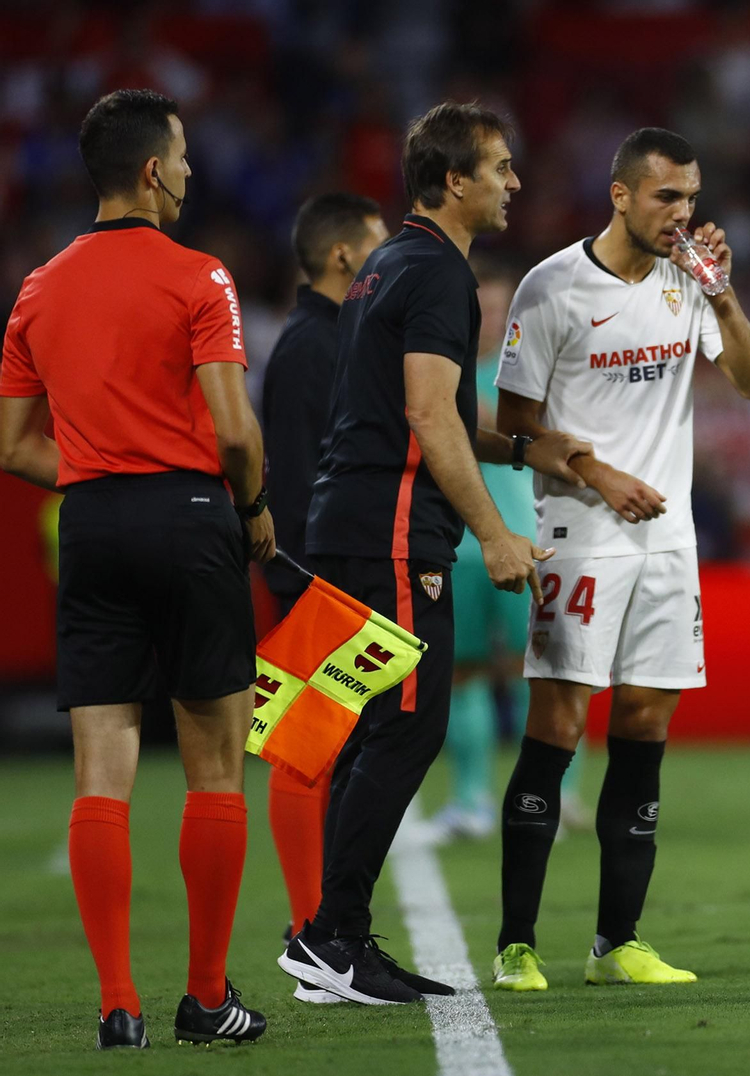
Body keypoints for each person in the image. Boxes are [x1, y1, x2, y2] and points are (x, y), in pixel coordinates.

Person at [277, 101, 589, 1006]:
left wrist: (528, 450)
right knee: (406, 725)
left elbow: (431, 413)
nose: (513, 184)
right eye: (499, 168)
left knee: (369, 728)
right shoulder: (439, 274)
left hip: (354, 520)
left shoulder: (385, 266)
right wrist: (493, 531)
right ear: (455, 181)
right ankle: (333, 938)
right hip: (394, 531)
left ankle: (325, 940)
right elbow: (422, 416)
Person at [0, 88, 272, 1047]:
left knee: (99, 776)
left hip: (93, 521)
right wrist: (252, 510)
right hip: (194, 516)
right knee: (215, 769)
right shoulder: (201, 277)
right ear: (153, 171)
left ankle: (118, 1007)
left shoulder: (38, 286)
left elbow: (10, 444)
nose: (194, 172)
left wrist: (91, 478)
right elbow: (235, 433)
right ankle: (205, 999)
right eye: (186, 156)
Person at [490, 127, 750, 991]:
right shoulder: (553, 287)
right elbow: (511, 428)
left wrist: (723, 298)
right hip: (581, 531)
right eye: (665, 198)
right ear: (620, 194)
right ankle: (516, 945)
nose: (683, 214)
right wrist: (596, 472)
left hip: (668, 541)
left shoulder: (691, 280)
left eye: (691, 198)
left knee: (645, 725)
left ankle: (618, 943)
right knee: (561, 726)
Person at [260, 191, 388, 1002]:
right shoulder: (315, 343)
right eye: (375, 246)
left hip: (318, 568)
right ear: (344, 257)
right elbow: (306, 476)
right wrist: (321, 578)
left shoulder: (324, 336)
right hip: (316, 572)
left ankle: (320, 931)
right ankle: (313, 936)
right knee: (304, 749)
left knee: (326, 752)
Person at [430, 262, 589, 844]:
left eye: (502, 311)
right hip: (457, 546)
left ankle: (558, 793)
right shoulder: (438, 374)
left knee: (544, 675)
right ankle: (470, 799)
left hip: (529, 541)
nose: (492, 321)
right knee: (462, 674)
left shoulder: (530, 378)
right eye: (483, 310)